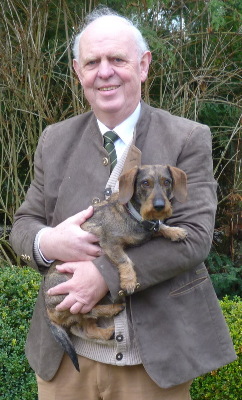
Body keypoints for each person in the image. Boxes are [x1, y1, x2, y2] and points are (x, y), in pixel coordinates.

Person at [9, 6, 236, 400]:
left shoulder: (187, 138)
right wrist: (46, 242)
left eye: (117, 59)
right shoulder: (54, 139)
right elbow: (24, 223)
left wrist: (105, 276)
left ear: (143, 65)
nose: (105, 72)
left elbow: (197, 237)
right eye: (93, 62)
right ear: (79, 72)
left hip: (153, 364)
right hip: (65, 365)